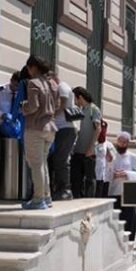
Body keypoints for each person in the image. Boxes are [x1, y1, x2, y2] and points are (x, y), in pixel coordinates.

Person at [20, 56, 59, 209]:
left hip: (35, 127)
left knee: (36, 164)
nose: (28, 71)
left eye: (29, 68)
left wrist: (23, 106)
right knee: (42, 163)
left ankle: (38, 199)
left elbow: (33, 106)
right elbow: (57, 105)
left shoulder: (33, 83)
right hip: (50, 127)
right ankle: (46, 196)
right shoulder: (53, 84)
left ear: (33, 67)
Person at [107, 131, 136, 241]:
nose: (122, 144)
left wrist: (126, 174)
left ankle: (129, 242)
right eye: (120, 141)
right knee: (115, 220)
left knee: (129, 220)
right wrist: (113, 174)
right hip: (113, 191)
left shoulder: (133, 156)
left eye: (124, 142)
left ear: (127, 143)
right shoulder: (112, 156)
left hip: (128, 194)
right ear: (117, 142)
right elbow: (106, 171)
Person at [49, 72, 77, 200]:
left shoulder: (62, 87)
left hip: (65, 129)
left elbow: (62, 105)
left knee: (61, 160)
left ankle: (65, 189)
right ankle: (59, 188)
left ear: (54, 78)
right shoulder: (58, 88)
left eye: (49, 80)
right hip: (59, 129)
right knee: (57, 159)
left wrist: (48, 115)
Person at [70, 87, 102, 198]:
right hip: (78, 150)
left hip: (88, 152)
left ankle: (89, 201)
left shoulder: (94, 109)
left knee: (89, 178)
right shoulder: (81, 110)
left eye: (75, 98)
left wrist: (91, 147)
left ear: (80, 97)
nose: (74, 101)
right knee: (76, 178)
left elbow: (98, 129)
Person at [0, 72, 21, 177]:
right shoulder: (0, 91)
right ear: (11, 81)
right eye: (16, 85)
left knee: (17, 156)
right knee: (2, 156)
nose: (16, 88)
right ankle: (4, 179)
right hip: (1, 127)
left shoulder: (21, 94)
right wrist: (1, 114)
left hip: (16, 129)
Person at [94, 120, 115, 198]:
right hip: (92, 174)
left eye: (104, 128)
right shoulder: (92, 141)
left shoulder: (108, 144)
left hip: (103, 177)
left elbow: (112, 159)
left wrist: (109, 153)